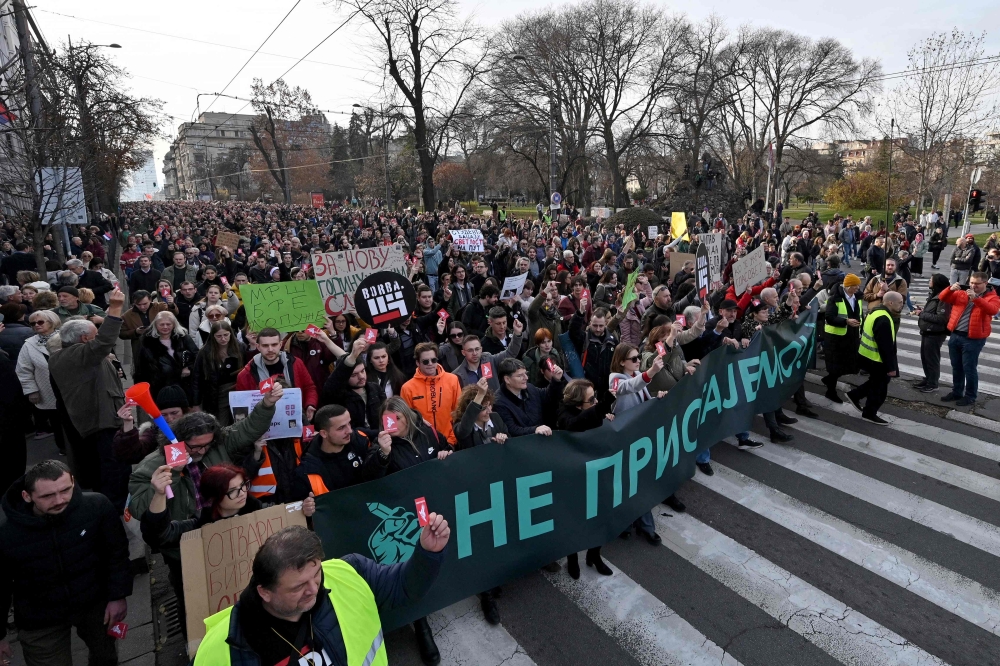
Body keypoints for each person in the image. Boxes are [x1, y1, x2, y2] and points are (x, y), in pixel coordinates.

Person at [193, 521, 449, 666]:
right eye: (298, 587)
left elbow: (405, 587)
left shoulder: (348, 572)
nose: (314, 590)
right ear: (265, 592)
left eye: (317, 574)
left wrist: (428, 554)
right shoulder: (219, 652)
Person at [0, 460, 131, 666]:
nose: (59, 500)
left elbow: (116, 553)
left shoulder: (97, 507)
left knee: (106, 657)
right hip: (39, 617)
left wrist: (118, 596)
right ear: (27, 496)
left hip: (95, 605)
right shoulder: (6, 533)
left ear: (72, 481)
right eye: (47, 496)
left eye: (65, 490)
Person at [359, 396, 453, 664]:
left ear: (406, 417)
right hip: (410, 517)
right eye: (387, 420)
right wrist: (382, 454)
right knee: (416, 565)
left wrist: (446, 453)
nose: (392, 424)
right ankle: (422, 626)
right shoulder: (380, 444)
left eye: (397, 418)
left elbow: (444, 447)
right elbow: (368, 479)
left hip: (437, 502)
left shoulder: (426, 432)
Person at [48, 288, 132, 509]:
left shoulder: (74, 355)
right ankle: (113, 511)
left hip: (104, 419)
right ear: (85, 339)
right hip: (101, 424)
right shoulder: (76, 355)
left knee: (110, 467)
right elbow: (105, 341)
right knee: (111, 469)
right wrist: (114, 308)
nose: (98, 340)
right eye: (94, 335)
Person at [556, 378, 615, 578]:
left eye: (596, 397)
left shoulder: (594, 411)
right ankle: (573, 560)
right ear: (578, 403)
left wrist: (606, 418)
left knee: (600, 517)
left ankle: (595, 555)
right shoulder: (565, 415)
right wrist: (602, 408)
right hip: (574, 479)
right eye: (592, 400)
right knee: (574, 520)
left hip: (597, 473)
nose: (596, 402)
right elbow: (575, 425)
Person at [607, 342, 664, 544]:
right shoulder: (615, 378)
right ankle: (627, 522)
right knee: (627, 482)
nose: (638, 361)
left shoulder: (635, 375)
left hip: (641, 436)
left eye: (638, 357)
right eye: (633, 359)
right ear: (622, 361)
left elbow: (641, 396)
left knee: (641, 481)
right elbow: (626, 389)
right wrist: (651, 372)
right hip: (625, 439)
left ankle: (644, 524)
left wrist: (656, 397)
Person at [938, 272, 1000, 406]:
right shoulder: (962, 292)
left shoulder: (992, 297)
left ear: (985, 283)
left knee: (969, 368)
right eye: (971, 282)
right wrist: (950, 289)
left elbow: (993, 310)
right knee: (956, 367)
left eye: (977, 284)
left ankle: (970, 395)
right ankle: (956, 392)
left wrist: (976, 298)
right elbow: (943, 298)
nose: (973, 285)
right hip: (956, 334)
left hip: (973, 339)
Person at [235, 327, 319, 422]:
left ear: (280, 344)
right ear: (258, 347)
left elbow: (309, 387)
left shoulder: (296, 363)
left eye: (274, 344)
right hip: (262, 426)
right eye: (265, 345)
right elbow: (241, 405)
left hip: (293, 419)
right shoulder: (246, 374)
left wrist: (310, 404)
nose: (270, 349)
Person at [846, 291, 904, 424]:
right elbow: (885, 347)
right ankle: (869, 413)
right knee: (880, 389)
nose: (902, 305)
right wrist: (891, 367)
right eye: (900, 302)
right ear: (890, 302)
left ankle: (855, 395)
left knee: (876, 382)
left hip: (867, 356)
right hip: (877, 359)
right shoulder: (883, 318)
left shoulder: (875, 311)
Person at [295, 404, 371, 496]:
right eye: (341, 428)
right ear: (324, 433)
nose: (349, 430)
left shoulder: (360, 439)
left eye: (349, 423)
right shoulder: (309, 470)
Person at [15, 311, 64, 451]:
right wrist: (31, 390)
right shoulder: (29, 344)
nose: (36, 325)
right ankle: (63, 448)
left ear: (52, 322)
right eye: (33, 323)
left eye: (40, 322)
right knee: (56, 421)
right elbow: (23, 370)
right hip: (47, 389)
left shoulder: (66, 337)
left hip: (70, 387)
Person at [400, 342, 462, 445]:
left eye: (433, 360)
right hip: (423, 444)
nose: (430, 364)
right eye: (425, 361)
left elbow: (459, 412)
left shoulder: (452, 380)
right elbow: (407, 421)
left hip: (451, 442)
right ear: (417, 363)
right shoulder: (407, 388)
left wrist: (452, 441)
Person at [320, 337, 384, 432]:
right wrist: (352, 356)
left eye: (362, 371)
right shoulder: (339, 395)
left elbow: (388, 412)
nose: (361, 376)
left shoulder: (375, 389)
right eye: (354, 375)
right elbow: (333, 384)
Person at [134, 310, 199, 401]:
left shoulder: (183, 337)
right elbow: (140, 367)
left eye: (168, 324)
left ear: (174, 324)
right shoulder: (146, 341)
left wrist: (189, 367)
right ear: (156, 325)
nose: (165, 327)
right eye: (162, 324)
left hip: (182, 385)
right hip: (157, 386)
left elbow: (197, 357)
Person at [493, 357, 565, 436]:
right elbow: (512, 430)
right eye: (520, 376)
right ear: (507, 379)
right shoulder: (499, 402)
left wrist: (556, 379)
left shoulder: (530, 388)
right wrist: (535, 429)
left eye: (526, 373)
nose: (526, 378)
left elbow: (548, 396)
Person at [191, 320, 244, 423]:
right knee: (221, 424)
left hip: (237, 391)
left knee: (239, 422)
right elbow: (196, 378)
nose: (223, 339)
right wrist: (196, 404)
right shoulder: (205, 352)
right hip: (215, 393)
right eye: (219, 336)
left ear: (231, 334)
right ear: (213, 336)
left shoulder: (240, 347)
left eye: (226, 335)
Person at [821, 273, 863, 402]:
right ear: (848, 286)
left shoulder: (857, 297)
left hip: (852, 336)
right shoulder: (835, 298)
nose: (857, 288)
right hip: (836, 338)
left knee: (851, 365)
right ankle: (830, 391)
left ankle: (828, 380)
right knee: (835, 366)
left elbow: (860, 314)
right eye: (855, 286)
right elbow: (829, 317)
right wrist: (845, 321)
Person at [452, 316, 524, 391]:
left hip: (495, 402)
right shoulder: (457, 375)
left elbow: (511, 352)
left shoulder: (490, 360)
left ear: (481, 349)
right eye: (470, 350)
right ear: (463, 352)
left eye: (477, 349)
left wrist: (517, 334)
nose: (474, 353)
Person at [912, 273, 951, 393]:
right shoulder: (935, 295)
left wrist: (921, 314)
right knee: (925, 357)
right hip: (928, 331)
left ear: (937, 283)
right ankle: (928, 379)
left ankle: (933, 383)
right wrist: (923, 310)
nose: (929, 281)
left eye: (931, 280)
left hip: (935, 333)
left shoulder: (943, 298)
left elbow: (942, 318)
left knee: (931, 359)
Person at [119, 289, 179, 367]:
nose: (142, 307)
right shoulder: (127, 316)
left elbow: (174, 314)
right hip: (142, 349)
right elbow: (122, 334)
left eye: (145, 304)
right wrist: (136, 332)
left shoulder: (160, 307)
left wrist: (171, 305)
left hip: (163, 344)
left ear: (150, 299)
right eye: (138, 304)